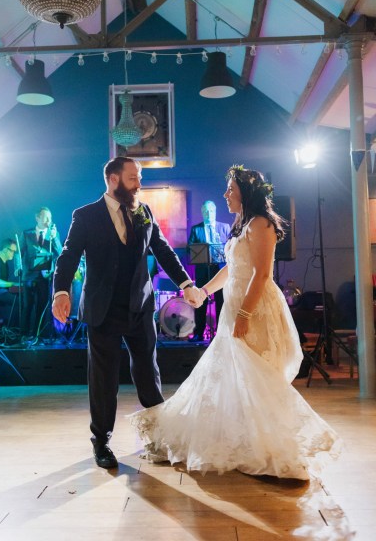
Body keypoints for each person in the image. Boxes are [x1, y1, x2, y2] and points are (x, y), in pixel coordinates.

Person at [129, 165, 341, 480]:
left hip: (255, 310)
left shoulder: (262, 224)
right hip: (235, 307)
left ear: (246, 192)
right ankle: (243, 440)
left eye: (230, 189)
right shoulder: (241, 225)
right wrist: (202, 291)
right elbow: (232, 268)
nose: (226, 194)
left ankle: (271, 448)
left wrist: (244, 314)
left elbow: (262, 274)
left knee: (257, 376)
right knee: (234, 375)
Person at [52, 157, 201, 470]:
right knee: (103, 378)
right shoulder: (86, 215)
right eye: (134, 177)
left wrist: (186, 283)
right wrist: (61, 292)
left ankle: (157, 436)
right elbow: (68, 257)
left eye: (140, 177)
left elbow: (163, 251)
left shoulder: (143, 212)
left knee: (148, 371)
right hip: (102, 309)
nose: (139, 183)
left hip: (139, 306)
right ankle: (102, 441)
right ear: (113, 179)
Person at [188, 200, 230, 340]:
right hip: (202, 271)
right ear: (202, 212)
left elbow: (231, 248)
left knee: (221, 301)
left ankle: (221, 334)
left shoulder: (225, 227)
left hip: (220, 271)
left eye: (211, 211)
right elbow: (190, 248)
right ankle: (198, 333)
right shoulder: (196, 229)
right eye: (206, 211)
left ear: (215, 211)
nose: (208, 213)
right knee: (201, 301)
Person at [21, 207, 62, 340]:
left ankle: (38, 335)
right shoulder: (27, 233)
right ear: (37, 218)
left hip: (45, 276)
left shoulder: (52, 234)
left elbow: (60, 253)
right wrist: (18, 267)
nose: (48, 220)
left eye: (50, 217)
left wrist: (55, 238)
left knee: (42, 306)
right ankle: (24, 334)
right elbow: (19, 253)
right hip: (29, 275)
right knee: (27, 305)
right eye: (45, 217)